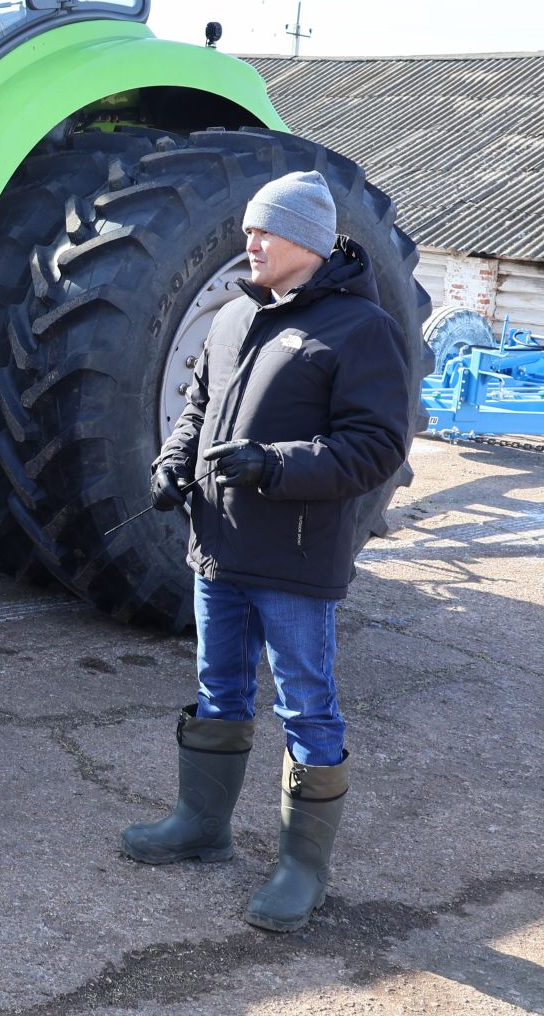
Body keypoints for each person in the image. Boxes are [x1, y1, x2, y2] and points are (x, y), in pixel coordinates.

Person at [122, 170, 411, 932]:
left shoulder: (360, 330)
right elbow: (197, 406)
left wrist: (274, 464)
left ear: (308, 244)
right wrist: (174, 460)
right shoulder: (231, 317)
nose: (247, 242)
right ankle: (201, 826)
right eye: (248, 229)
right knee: (219, 690)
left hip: (294, 560)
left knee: (306, 708)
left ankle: (302, 869)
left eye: (264, 232)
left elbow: (375, 446)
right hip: (217, 549)